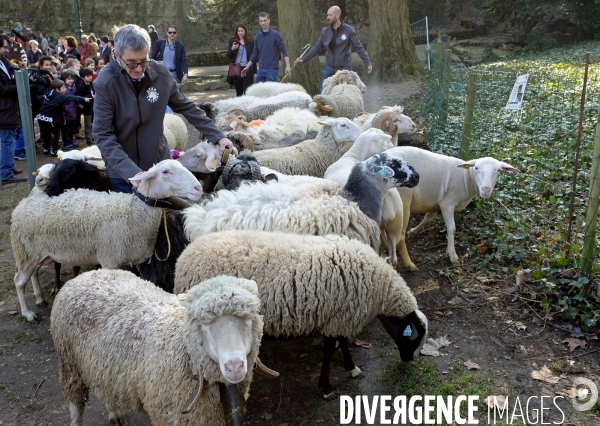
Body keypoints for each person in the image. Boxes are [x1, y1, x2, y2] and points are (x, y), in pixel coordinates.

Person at [94, 24, 232, 193]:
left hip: (160, 165)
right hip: (124, 171)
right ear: (116, 54)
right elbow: (102, 133)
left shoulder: (160, 73)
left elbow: (186, 106)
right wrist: (130, 171)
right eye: (131, 63)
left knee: (166, 215)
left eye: (143, 61)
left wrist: (217, 135)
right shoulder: (105, 83)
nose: (138, 68)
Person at [294, 5, 372, 92]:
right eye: (327, 15)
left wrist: (367, 62)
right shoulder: (325, 31)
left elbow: (358, 47)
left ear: (337, 16)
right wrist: (303, 59)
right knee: (323, 91)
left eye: (330, 15)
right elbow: (316, 48)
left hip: (344, 67)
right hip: (329, 67)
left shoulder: (349, 30)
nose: (328, 17)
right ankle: (322, 105)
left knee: (345, 92)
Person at [36, 78, 91, 156]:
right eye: (63, 88)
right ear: (57, 89)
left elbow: (40, 98)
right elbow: (71, 97)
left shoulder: (49, 93)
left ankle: (46, 148)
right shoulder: (59, 96)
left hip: (41, 117)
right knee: (56, 134)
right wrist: (83, 98)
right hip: (50, 119)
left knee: (46, 134)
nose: (65, 89)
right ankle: (54, 150)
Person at [0, 35, 27, 184]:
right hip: (4, 110)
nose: (6, 49)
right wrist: (18, 84)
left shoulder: (4, 61)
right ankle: (6, 173)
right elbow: (2, 88)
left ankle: (8, 166)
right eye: (4, 46)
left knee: (9, 139)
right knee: (7, 141)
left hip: (10, 108)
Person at [241, 12, 290, 83]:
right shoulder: (258, 36)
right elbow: (255, 53)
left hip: (272, 70)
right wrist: (247, 67)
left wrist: (288, 66)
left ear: (269, 20)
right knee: (259, 92)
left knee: (271, 92)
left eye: (264, 20)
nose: (263, 23)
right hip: (261, 69)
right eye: (261, 21)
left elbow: (284, 51)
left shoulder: (276, 35)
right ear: (259, 22)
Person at [226, 24, 255, 96]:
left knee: (247, 91)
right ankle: (239, 106)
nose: (240, 33)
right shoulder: (232, 41)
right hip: (236, 68)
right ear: (236, 32)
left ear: (245, 31)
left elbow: (253, 57)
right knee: (239, 92)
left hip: (247, 68)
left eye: (242, 31)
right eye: (239, 31)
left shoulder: (250, 42)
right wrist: (232, 49)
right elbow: (228, 55)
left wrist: (255, 72)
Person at [77, 68, 95, 146]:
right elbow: (80, 97)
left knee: (95, 123)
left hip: (93, 107)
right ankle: (88, 139)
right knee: (88, 124)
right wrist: (91, 96)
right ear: (83, 77)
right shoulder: (81, 86)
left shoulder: (92, 84)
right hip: (87, 108)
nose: (90, 77)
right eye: (87, 76)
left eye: (90, 75)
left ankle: (94, 136)